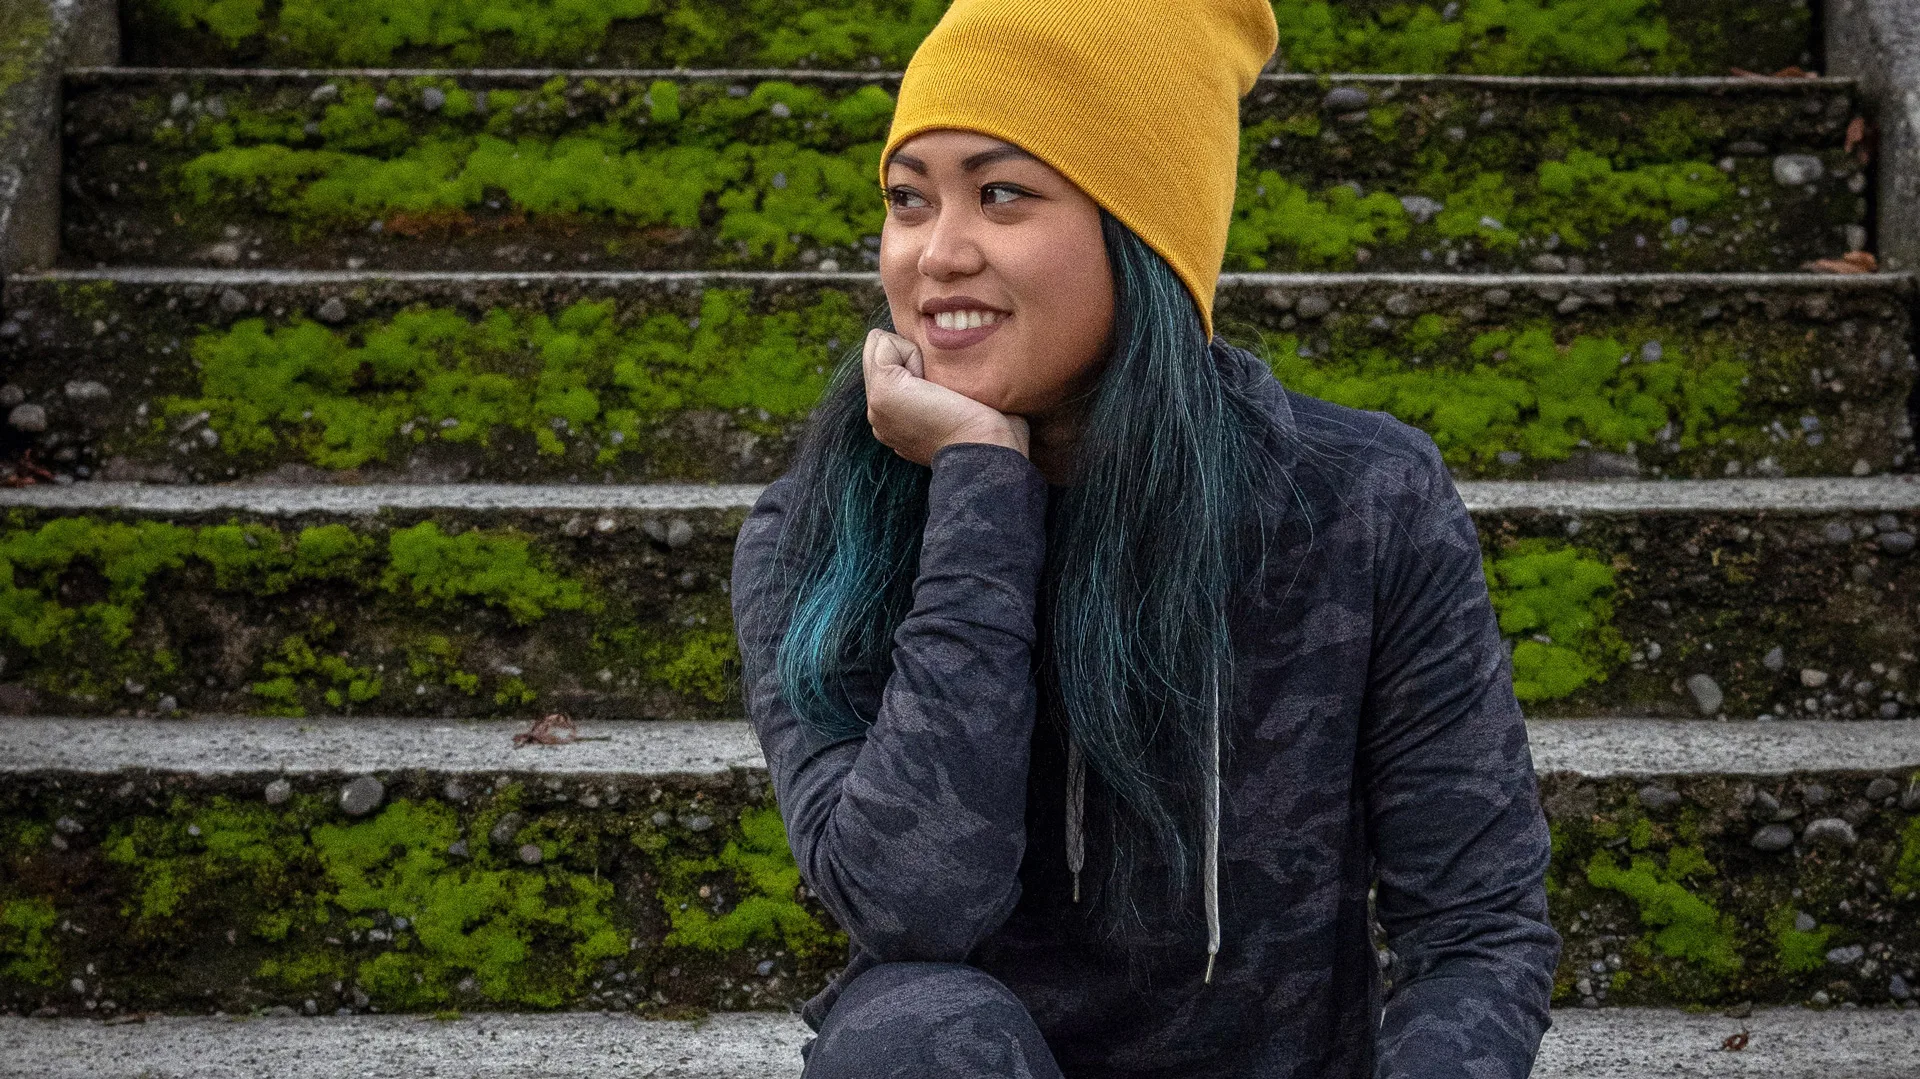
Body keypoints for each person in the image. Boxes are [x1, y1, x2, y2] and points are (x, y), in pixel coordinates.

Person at [728, 1, 1564, 1076]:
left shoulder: (1358, 500)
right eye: (907, 199)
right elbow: (914, 906)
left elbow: (1477, 934)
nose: (937, 253)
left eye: (1002, 194)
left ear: (1145, 233)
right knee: (907, 1032)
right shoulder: (821, 535)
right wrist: (982, 487)